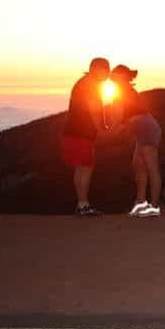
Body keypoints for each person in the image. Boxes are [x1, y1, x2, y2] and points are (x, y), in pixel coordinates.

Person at [109, 64, 163, 217]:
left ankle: (153, 207)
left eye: (116, 74)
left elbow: (118, 117)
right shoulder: (124, 90)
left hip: (146, 129)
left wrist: (106, 130)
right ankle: (140, 203)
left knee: (151, 168)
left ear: (124, 77)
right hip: (143, 129)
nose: (113, 76)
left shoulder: (122, 91)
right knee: (139, 167)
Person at [61, 57, 110, 216]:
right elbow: (94, 109)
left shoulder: (84, 82)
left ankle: (81, 204)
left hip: (74, 131)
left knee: (81, 168)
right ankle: (83, 205)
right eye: (106, 69)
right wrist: (102, 129)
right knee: (86, 167)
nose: (108, 74)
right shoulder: (91, 85)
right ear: (97, 69)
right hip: (81, 133)